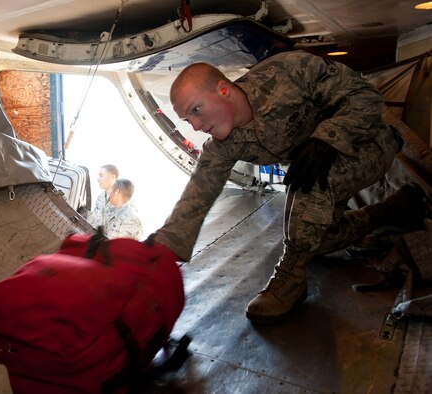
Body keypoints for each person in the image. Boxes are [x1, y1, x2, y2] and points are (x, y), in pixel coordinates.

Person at [149, 50, 428, 324]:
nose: (196, 126)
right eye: (188, 120)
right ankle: (393, 210)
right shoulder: (222, 145)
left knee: (307, 184)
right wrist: (161, 251)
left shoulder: (288, 71)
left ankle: (291, 280)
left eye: (196, 110)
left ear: (223, 89)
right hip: (318, 166)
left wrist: (327, 139)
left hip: (370, 139)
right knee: (315, 239)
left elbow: (366, 98)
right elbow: (198, 193)